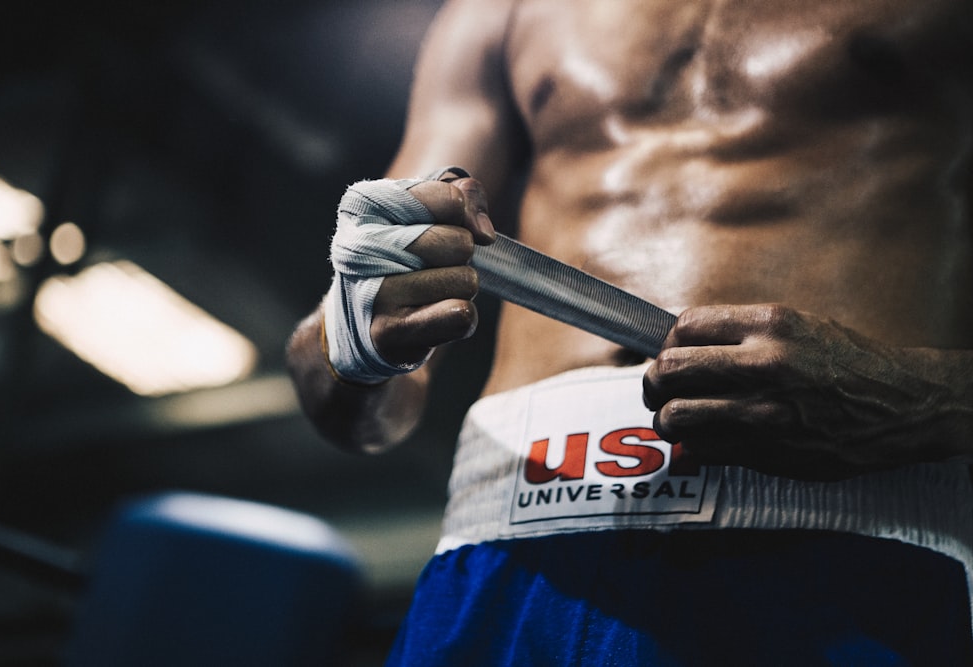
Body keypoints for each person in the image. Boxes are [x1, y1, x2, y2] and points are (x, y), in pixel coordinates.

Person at [286, 0, 973, 663]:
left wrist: (927, 400)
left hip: (844, 544)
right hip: (500, 545)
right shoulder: (500, 9)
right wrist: (354, 338)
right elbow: (340, 385)